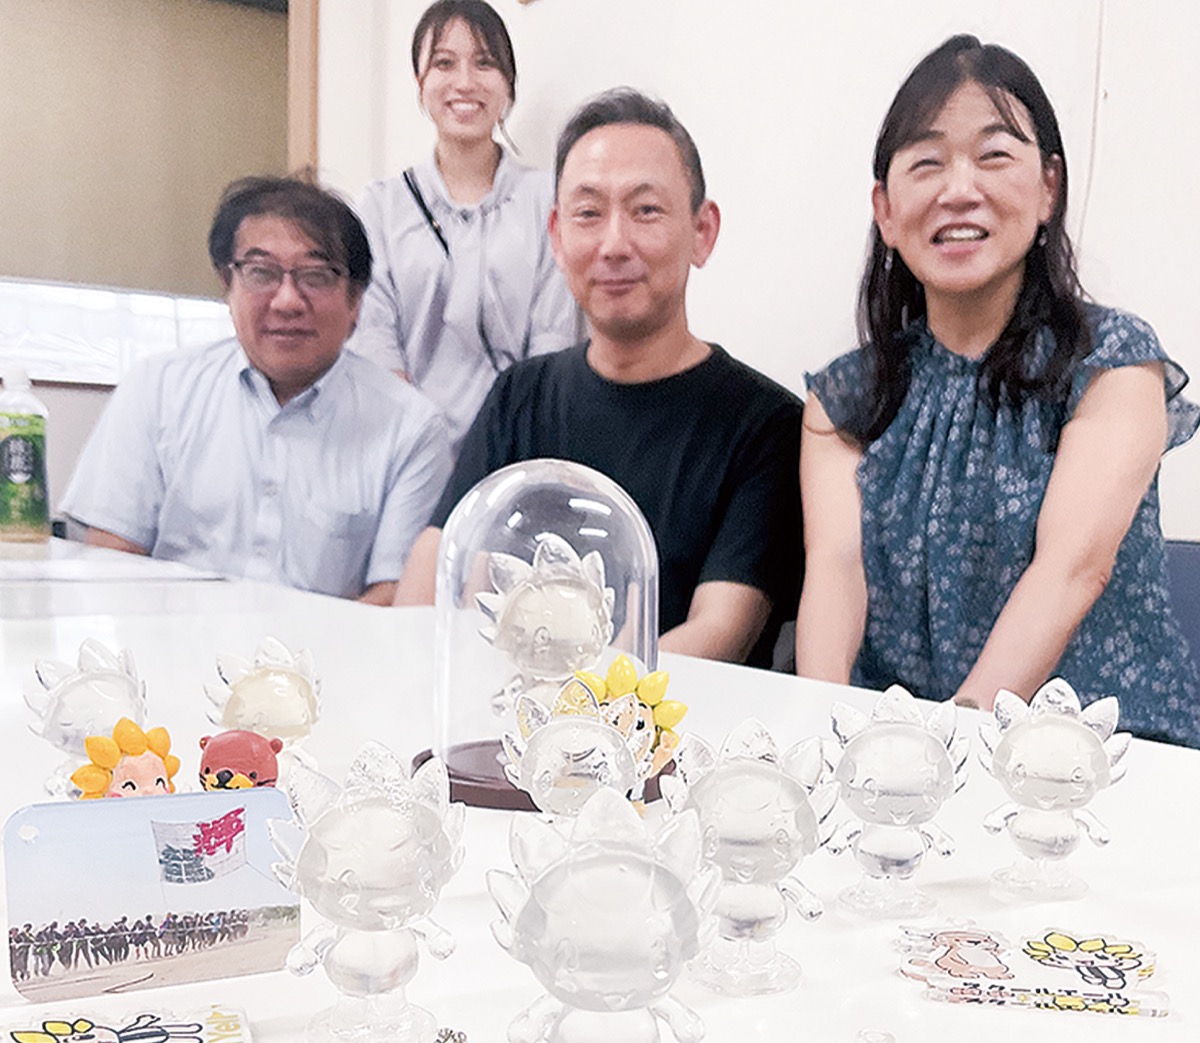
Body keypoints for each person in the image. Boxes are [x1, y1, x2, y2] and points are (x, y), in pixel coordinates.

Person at [795, 35, 1200, 745]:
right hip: (892, 760)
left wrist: (950, 748)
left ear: (1048, 188)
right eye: (927, 163)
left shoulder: (1113, 363)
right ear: (885, 209)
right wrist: (824, 739)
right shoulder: (848, 398)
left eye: (994, 156)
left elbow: (1072, 570)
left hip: (1098, 756)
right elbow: (837, 569)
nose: (959, 190)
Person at [396, 88, 803, 668]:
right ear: (557, 237)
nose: (614, 244)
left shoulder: (767, 426)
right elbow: (438, 566)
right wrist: (412, 668)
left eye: (646, 210)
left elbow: (720, 633)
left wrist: (571, 701)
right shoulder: (518, 395)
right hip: (500, 711)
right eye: (588, 214)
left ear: (702, 231)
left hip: (670, 718)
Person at [61, 174, 451, 604]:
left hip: (327, 648)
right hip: (171, 641)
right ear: (227, 283)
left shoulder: (411, 427)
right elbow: (113, 556)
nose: (287, 301)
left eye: (316, 276)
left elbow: (396, 594)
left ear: (356, 300)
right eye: (261, 273)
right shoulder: (157, 389)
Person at [352, 0, 577, 449]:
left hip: (518, 444)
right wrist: (421, 444)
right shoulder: (381, 205)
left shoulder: (549, 199)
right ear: (420, 83)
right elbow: (374, 335)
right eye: (444, 63)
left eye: (484, 63)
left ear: (508, 82)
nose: (465, 82)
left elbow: (554, 336)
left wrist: (509, 444)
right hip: (406, 445)